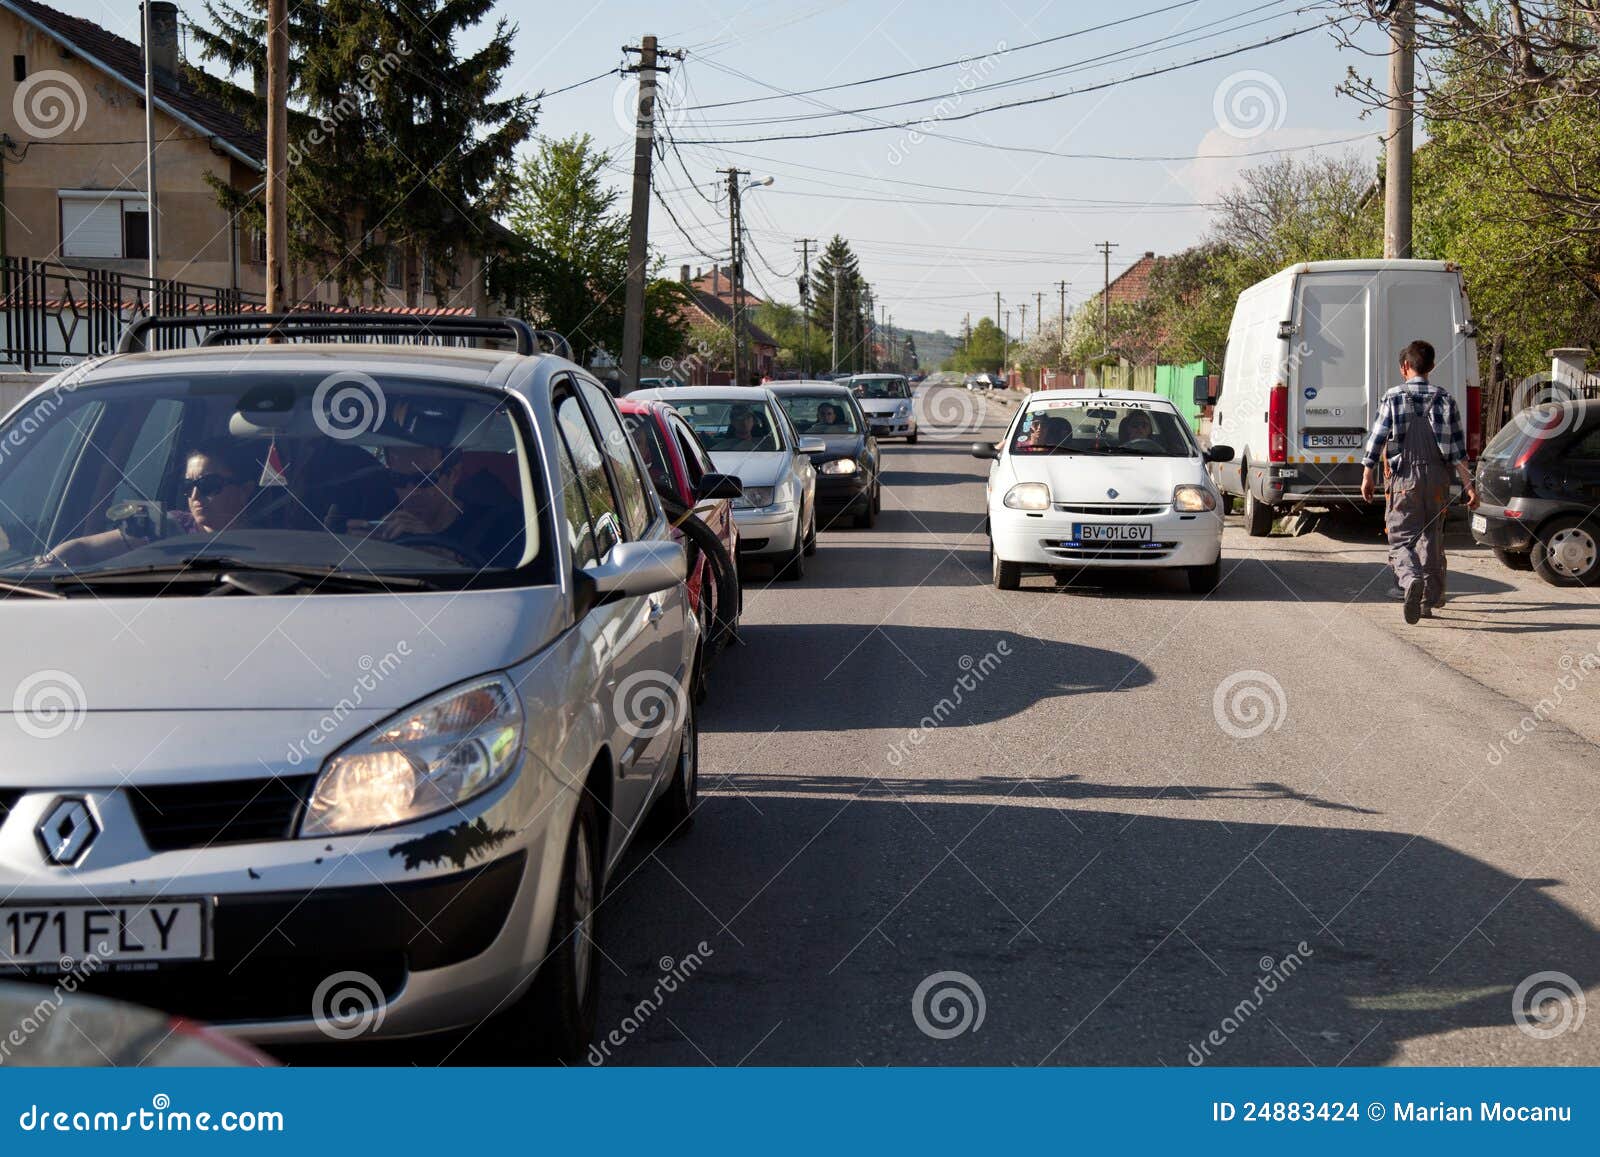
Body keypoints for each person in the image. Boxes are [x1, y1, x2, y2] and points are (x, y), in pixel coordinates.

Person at [1359, 340, 1477, 623]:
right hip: (1438, 479)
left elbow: (1377, 438)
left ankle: (1410, 579)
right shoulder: (1446, 399)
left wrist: (1367, 472)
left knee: (1401, 539)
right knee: (1432, 538)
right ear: (1432, 367)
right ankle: (1428, 601)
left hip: (1404, 479)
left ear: (1404, 367)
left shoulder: (1393, 397)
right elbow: (1459, 451)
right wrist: (1469, 486)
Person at [41, 440, 262, 567]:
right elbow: (82, 549)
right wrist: (44, 564)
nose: (194, 495)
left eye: (208, 484)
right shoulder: (163, 523)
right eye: (187, 485)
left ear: (245, 489)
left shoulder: (272, 538)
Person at [359, 444, 523, 567]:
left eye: (424, 480)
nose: (411, 491)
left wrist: (439, 553)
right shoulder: (374, 517)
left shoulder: (503, 528)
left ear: (453, 475)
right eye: (397, 478)